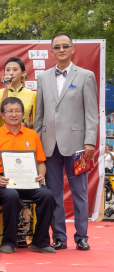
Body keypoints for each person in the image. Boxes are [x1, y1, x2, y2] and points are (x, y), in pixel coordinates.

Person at [34, 32, 99, 251]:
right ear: (51, 51)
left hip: (78, 145)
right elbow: (39, 114)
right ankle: (59, 236)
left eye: (65, 46)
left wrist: (90, 141)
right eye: (57, 47)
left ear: (72, 49)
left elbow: (91, 112)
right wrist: (36, 144)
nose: (61, 50)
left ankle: (82, 236)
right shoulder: (42, 78)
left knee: (79, 192)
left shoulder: (86, 76)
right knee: (53, 193)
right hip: (49, 145)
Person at [0, 97, 56, 254]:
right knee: (11, 195)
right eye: (9, 111)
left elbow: (41, 162)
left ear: (23, 114)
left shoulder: (32, 135)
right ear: (2, 114)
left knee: (47, 195)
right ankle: (8, 242)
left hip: (29, 180)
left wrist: (41, 176)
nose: (14, 114)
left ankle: (40, 242)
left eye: (17, 111)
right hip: (2, 182)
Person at [0, 57, 36, 130]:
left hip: (23, 136)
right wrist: (6, 89)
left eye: (15, 70)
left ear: (23, 73)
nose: (11, 73)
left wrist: (26, 124)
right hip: (3, 137)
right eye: (8, 70)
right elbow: (0, 114)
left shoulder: (32, 95)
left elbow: (37, 121)